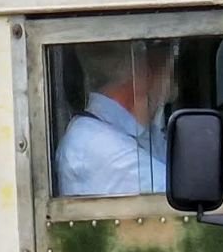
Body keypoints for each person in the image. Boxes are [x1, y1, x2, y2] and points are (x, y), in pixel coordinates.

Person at [56, 39, 176, 196]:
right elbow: (185, 197)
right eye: (169, 75)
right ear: (142, 74)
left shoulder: (135, 133)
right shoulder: (93, 142)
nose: (173, 91)